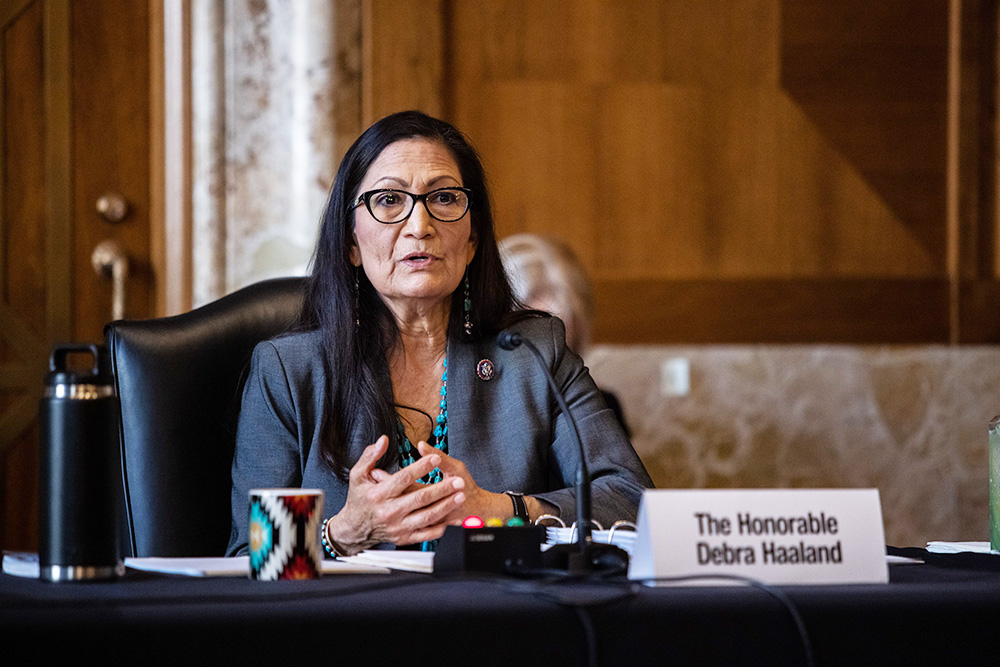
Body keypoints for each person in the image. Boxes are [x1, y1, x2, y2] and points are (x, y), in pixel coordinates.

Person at [226, 110, 651, 558]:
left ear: (471, 241)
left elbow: (631, 499)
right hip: (352, 622)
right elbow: (246, 560)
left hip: (501, 618)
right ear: (351, 242)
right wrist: (343, 533)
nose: (419, 225)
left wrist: (502, 508)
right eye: (389, 200)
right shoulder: (289, 372)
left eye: (444, 198)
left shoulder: (533, 352)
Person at [499, 233, 631, 436]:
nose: (546, 366)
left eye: (563, 350)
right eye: (532, 341)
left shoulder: (600, 407)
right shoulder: (460, 408)